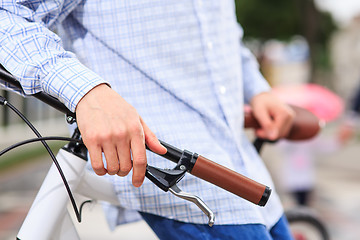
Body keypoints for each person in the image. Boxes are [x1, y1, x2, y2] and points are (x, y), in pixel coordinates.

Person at [0, 1, 295, 239]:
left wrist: (256, 89)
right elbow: (7, 15)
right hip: (182, 178)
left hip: (245, 171)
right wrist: (86, 91)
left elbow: (225, 33)